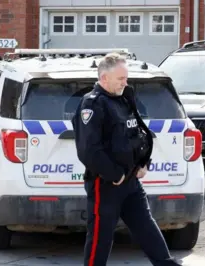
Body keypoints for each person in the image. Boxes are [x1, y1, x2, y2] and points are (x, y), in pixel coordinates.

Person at [71, 53, 182, 266]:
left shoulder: (123, 99)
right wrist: (116, 174)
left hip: (131, 182)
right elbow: (89, 151)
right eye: (121, 79)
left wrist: (143, 163)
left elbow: (136, 135)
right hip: (106, 184)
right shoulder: (93, 105)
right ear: (104, 78)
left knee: (147, 229)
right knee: (100, 240)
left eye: (126, 78)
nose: (125, 82)